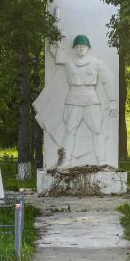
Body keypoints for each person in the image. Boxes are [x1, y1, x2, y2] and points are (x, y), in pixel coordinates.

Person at [49, 34, 117, 167]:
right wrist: (56, 37)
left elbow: (109, 80)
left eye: (83, 46)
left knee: (97, 131)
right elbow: (54, 52)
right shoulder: (68, 61)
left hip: (91, 99)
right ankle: (65, 161)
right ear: (74, 48)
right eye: (78, 47)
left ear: (88, 48)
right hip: (73, 98)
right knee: (69, 131)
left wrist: (113, 101)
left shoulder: (96, 63)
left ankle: (102, 161)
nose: (81, 49)